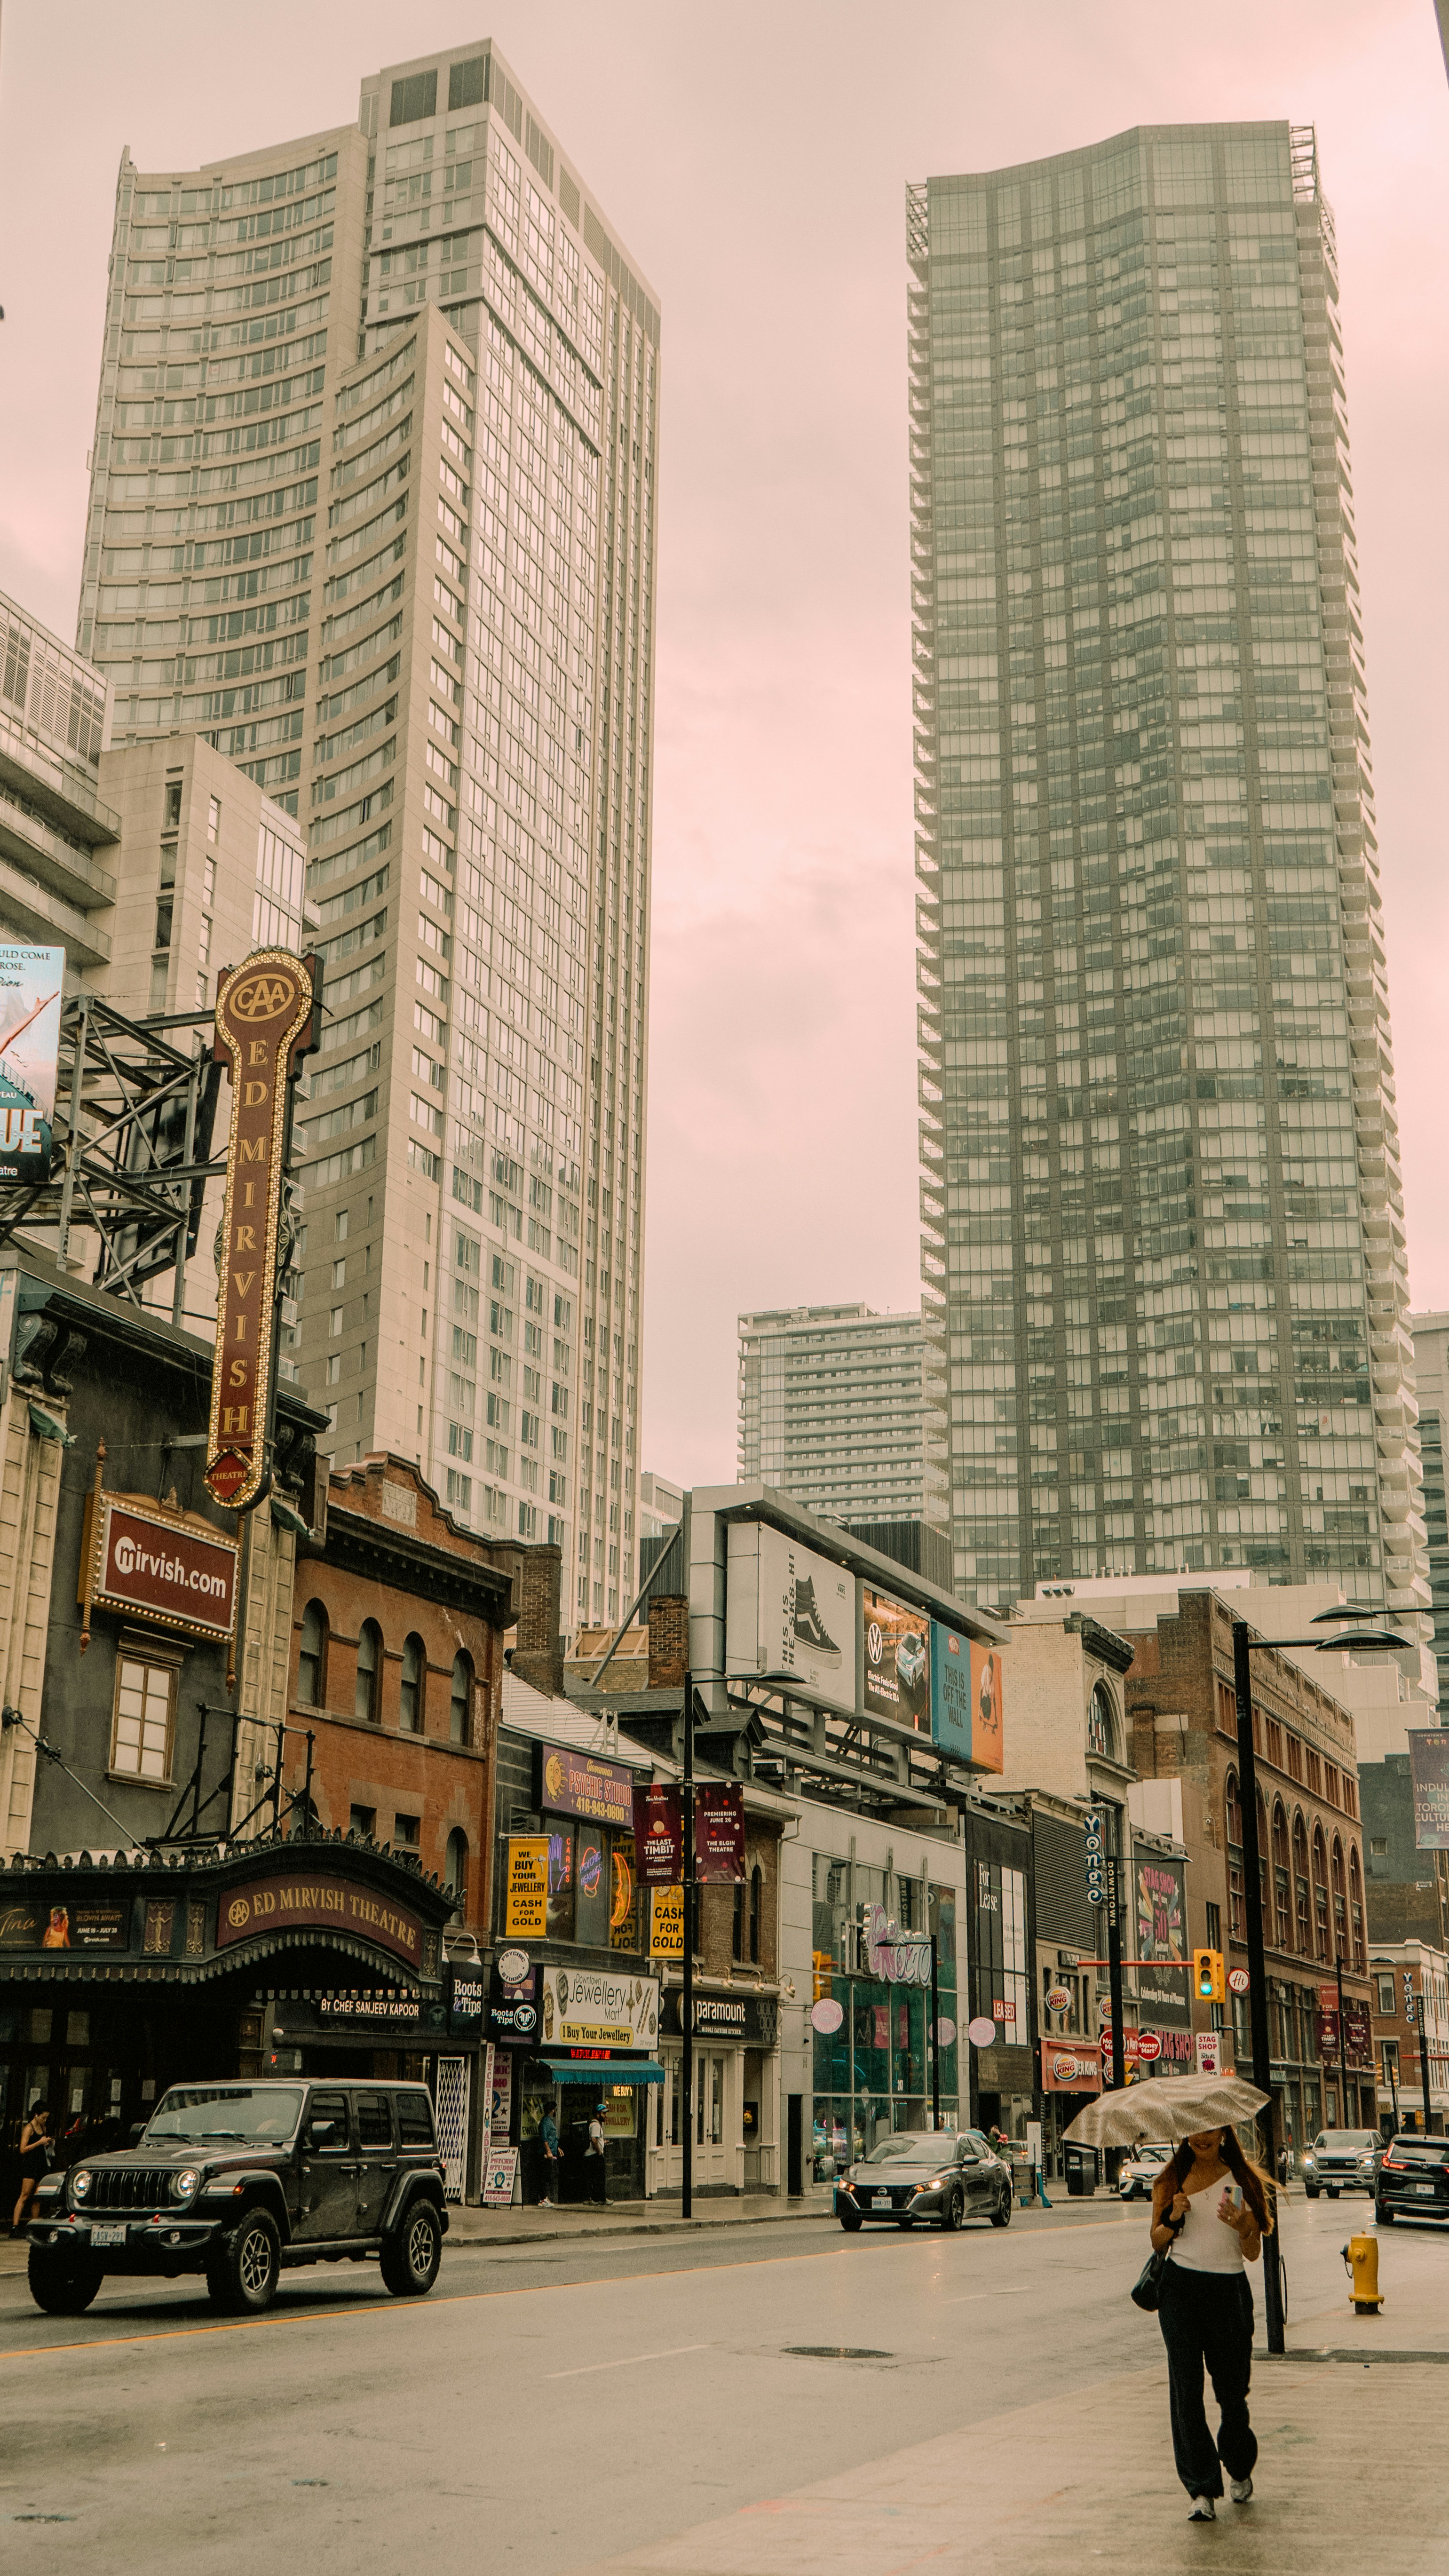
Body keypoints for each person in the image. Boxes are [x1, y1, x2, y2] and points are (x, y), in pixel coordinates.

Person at [1148, 2124, 1274, 2523]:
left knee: (1231, 2393)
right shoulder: (1170, 2179)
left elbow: (1252, 2252)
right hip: (1179, 2291)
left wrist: (1243, 2226)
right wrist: (1172, 2215)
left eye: (1210, 2129)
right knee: (1186, 2391)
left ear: (1223, 2131)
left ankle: (1238, 2465)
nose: (1201, 2136)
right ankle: (1201, 2488)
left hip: (1227, 2292)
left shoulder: (1242, 2179)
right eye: (1193, 2129)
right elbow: (1156, 2240)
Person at [11, 2102, 52, 2236]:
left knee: (37, 2196)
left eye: (46, 2118)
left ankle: (34, 2225)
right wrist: (39, 2143)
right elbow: (23, 2149)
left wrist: (48, 2143)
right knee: (25, 2194)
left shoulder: (43, 2128)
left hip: (41, 2164)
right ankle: (15, 2226)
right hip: (31, 2164)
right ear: (36, 2115)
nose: (45, 2120)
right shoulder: (29, 2128)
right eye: (43, 2117)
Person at [586, 2100, 607, 2204]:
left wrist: (603, 2142)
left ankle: (600, 2198)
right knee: (598, 2178)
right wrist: (599, 2152)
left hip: (593, 2155)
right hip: (594, 2155)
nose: (605, 2116)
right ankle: (597, 2199)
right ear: (598, 2114)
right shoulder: (596, 2125)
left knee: (598, 2177)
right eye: (604, 2113)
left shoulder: (595, 2124)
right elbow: (594, 2139)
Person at [539, 2105, 560, 2205]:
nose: (556, 2111)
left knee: (547, 2175)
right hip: (545, 2153)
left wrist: (557, 2148)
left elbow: (552, 2138)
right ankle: (543, 2199)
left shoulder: (549, 2121)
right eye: (555, 2109)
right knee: (544, 2176)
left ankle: (545, 2198)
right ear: (552, 2110)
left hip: (552, 2151)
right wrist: (548, 2151)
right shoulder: (545, 2122)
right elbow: (545, 2138)